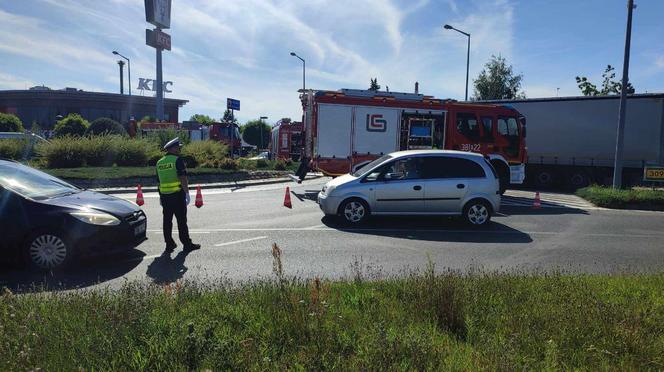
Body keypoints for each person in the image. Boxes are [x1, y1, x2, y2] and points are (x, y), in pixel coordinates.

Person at [156, 137, 201, 252]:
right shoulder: (177, 160)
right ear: (172, 148)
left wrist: (160, 196)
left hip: (165, 196)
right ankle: (187, 244)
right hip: (177, 195)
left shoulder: (159, 162)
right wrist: (187, 193)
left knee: (167, 221)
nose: (179, 149)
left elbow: (159, 181)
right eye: (178, 147)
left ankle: (169, 244)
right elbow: (183, 177)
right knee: (181, 221)